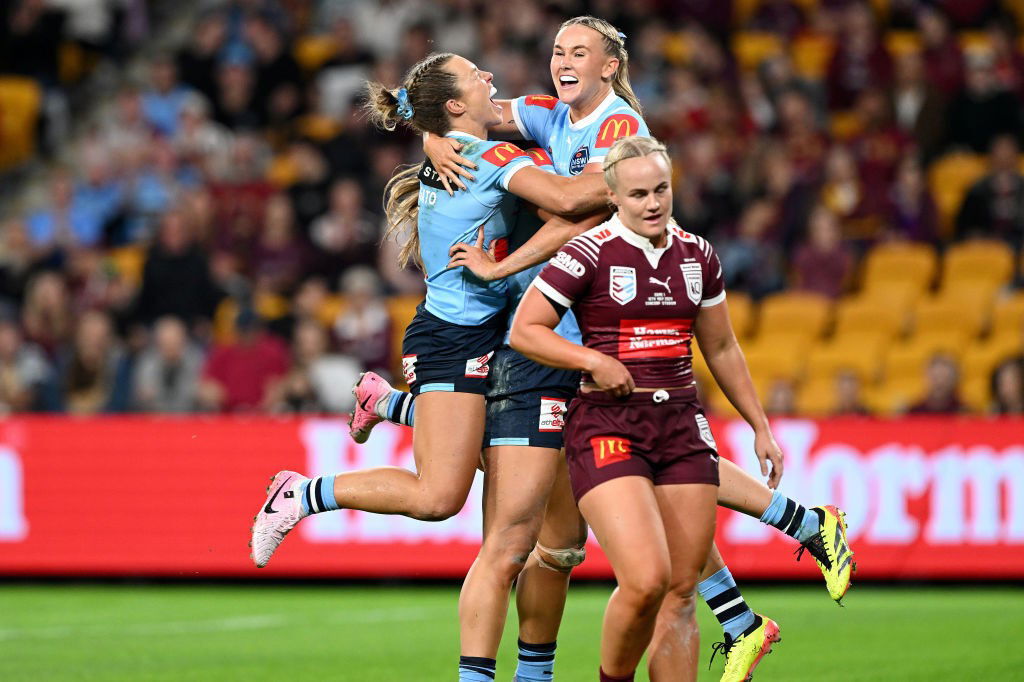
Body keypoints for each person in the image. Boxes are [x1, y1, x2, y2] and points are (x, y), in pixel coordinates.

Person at [249, 51, 611, 682]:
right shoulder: (490, 159)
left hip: (491, 340)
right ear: (453, 104)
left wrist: (430, 133)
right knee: (441, 496)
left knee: (511, 490)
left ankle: (389, 405)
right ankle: (304, 492)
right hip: (450, 341)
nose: (492, 79)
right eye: (477, 78)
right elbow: (578, 199)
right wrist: (641, 170)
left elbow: (553, 194)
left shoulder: (457, 148)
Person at [507, 137, 742, 680]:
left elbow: (724, 348)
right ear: (613, 196)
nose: (653, 202)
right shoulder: (586, 252)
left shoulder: (698, 254)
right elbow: (526, 330)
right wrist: (593, 360)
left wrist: (759, 427)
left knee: (681, 591)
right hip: (608, 423)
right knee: (645, 579)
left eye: (661, 189)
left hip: (682, 422)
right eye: (638, 193)